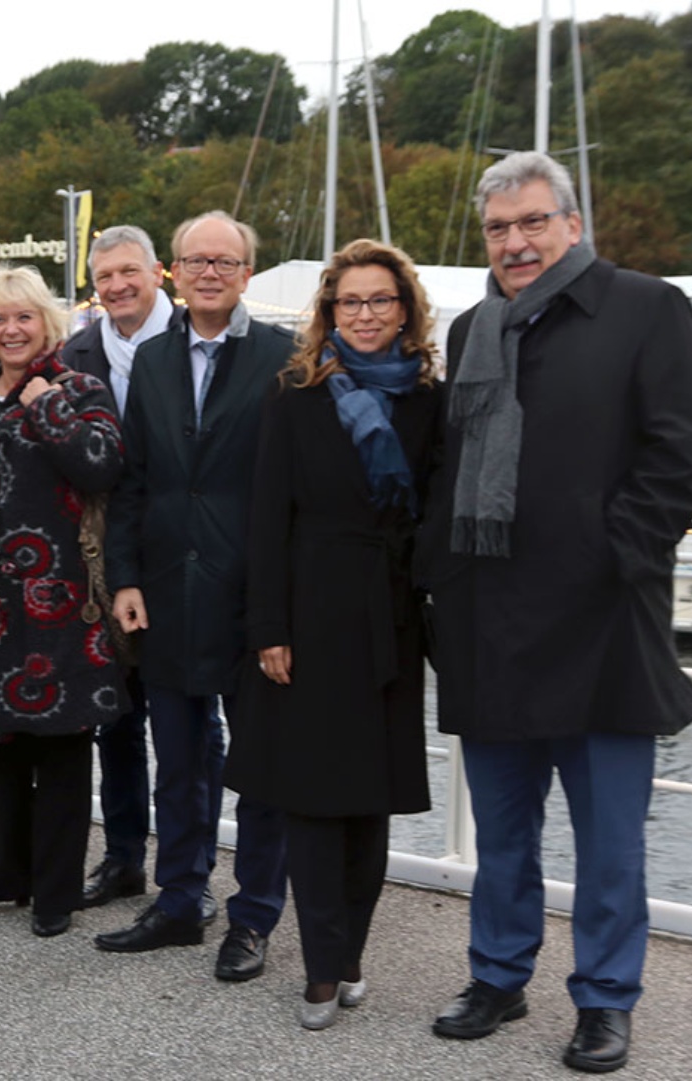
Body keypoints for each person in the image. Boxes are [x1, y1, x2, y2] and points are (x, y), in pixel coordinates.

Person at [417, 151, 692, 1073]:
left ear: (572, 224)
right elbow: (445, 468)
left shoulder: (647, 308)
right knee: (503, 833)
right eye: (500, 229)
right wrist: (441, 584)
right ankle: (498, 977)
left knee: (610, 841)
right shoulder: (473, 327)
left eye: (533, 222)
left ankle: (605, 1000)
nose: (516, 241)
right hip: (490, 623)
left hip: (602, 627)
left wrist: (610, 554)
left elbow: (679, 457)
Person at [234, 239, 441, 1031]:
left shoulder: (429, 398)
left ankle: (351, 950)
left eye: (379, 300)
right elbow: (266, 518)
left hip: (389, 617)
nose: (364, 315)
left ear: (404, 310)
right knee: (315, 802)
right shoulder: (295, 395)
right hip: (309, 617)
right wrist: (269, 627)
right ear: (328, 313)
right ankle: (321, 969)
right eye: (349, 302)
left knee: (371, 804)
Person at [95, 210, 292, 984]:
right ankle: (180, 899)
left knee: (263, 766)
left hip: (255, 599)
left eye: (226, 260)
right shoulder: (152, 362)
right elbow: (132, 483)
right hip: (168, 594)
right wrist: (126, 578)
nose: (210, 272)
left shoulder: (283, 357)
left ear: (247, 272)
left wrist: (286, 600)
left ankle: (253, 917)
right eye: (196, 260)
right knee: (176, 760)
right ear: (174, 271)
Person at [0, 265, 127, 938]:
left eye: (23, 317)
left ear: (48, 322)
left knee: (63, 746)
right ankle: (4, 875)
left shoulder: (80, 387)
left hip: (58, 596)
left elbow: (103, 465)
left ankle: (57, 891)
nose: (10, 330)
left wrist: (45, 405)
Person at [60, 224, 204, 911]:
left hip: (186, 560)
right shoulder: (76, 352)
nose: (117, 286)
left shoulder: (196, 340)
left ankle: (193, 865)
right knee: (114, 717)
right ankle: (123, 856)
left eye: (129, 272)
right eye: (104, 276)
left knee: (193, 725)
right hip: (102, 560)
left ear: (158, 273)